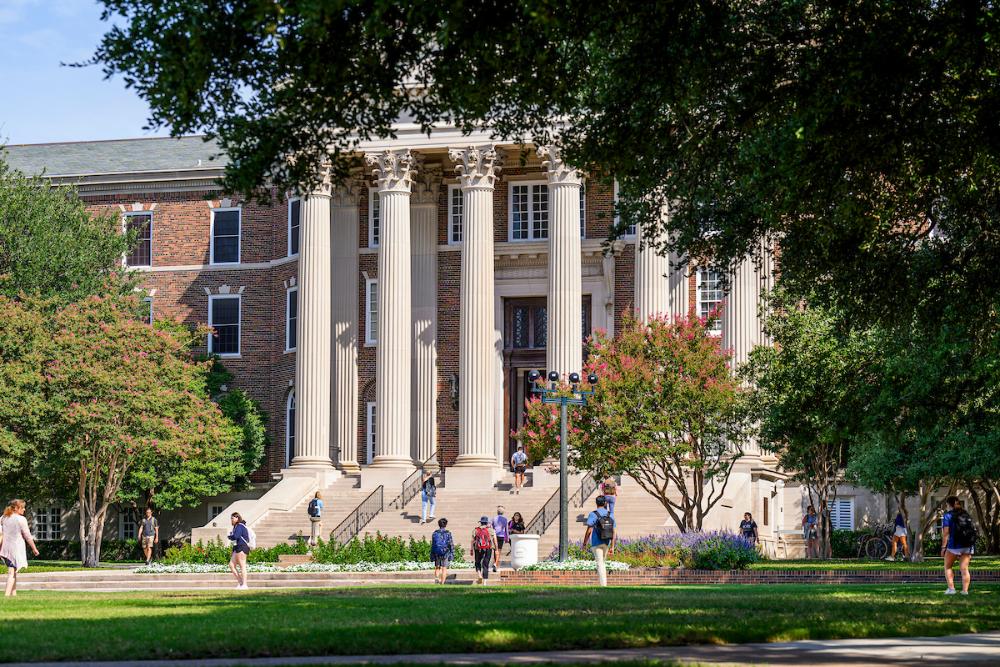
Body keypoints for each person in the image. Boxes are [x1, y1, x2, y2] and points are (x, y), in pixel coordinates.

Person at [1, 499, 40, 597]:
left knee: (13, 571)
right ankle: (7, 595)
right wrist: (34, 548)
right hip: (15, 549)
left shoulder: (3, 518)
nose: (24, 510)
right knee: (11, 573)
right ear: (16, 508)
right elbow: (27, 535)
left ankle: (14, 595)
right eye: (22, 508)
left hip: (4, 549)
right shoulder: (21, 519)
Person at [941, 496, 976, 595]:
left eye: (947, 504)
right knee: (964, 569)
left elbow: (946, 533)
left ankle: (951, 589)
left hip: (954, 545)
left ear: (949, 504)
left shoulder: (948, 516)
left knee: (947, 566)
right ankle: (965, 591)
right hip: (968, 545)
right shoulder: (966, 514)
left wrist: (943, 547)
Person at [583, 495, 616, 587]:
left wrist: (584, 543)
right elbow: (614, 532)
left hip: (596, 542)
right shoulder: (610, 514)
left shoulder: (593, 514)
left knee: (600, 563)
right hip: (606, 542)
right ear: (605, 503)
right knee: (602, 562)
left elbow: (589, 530)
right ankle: (604, 584)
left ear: (596, 503)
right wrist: (612, 547)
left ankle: (603, 585)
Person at [470, 515, 498, 585]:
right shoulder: (491, 530)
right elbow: (495, 541)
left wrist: (471, 549)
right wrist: (496, 549)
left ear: (481, 522)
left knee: (477, 562)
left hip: (478, 548)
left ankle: (479, 575)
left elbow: (472, 541)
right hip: (488, 548)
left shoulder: (476, 530)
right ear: (487, 523)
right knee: (486, 564)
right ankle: (485, 582)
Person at [227, 512, 252, 590]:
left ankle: (245, 585)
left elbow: (236, 536)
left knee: (242, 566)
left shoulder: (240, 526)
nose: (232, 519)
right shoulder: (236, 527)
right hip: (237, 547)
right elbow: (236, 539)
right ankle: (241, 582)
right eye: (231, 518)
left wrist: (230, 536)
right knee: (231, 565)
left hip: (242, 547)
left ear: (237, 518)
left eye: (233, 518)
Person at [430, 518, 454, 585]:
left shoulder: (435, 533)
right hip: (445, 552)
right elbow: (451, 544)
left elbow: (433, 544)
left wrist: (432, 553)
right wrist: (452, 553)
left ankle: (437, 578)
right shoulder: (448, 533)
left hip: (437, 551)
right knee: (444, 568)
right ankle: (442, 583)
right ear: (445, 525)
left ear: (439, 524)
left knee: (437, 567)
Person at [491, 506, 510, 572]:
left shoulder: (494, 518)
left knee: (495, 550)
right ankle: (496, 564)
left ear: (497, 512)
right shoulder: (505, 519)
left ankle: (495, 563)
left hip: (495, 535)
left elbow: (491, 527)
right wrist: (507, 537)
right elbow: (506, 530)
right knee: (499, 550)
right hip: (501, 535)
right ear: (503, 512)